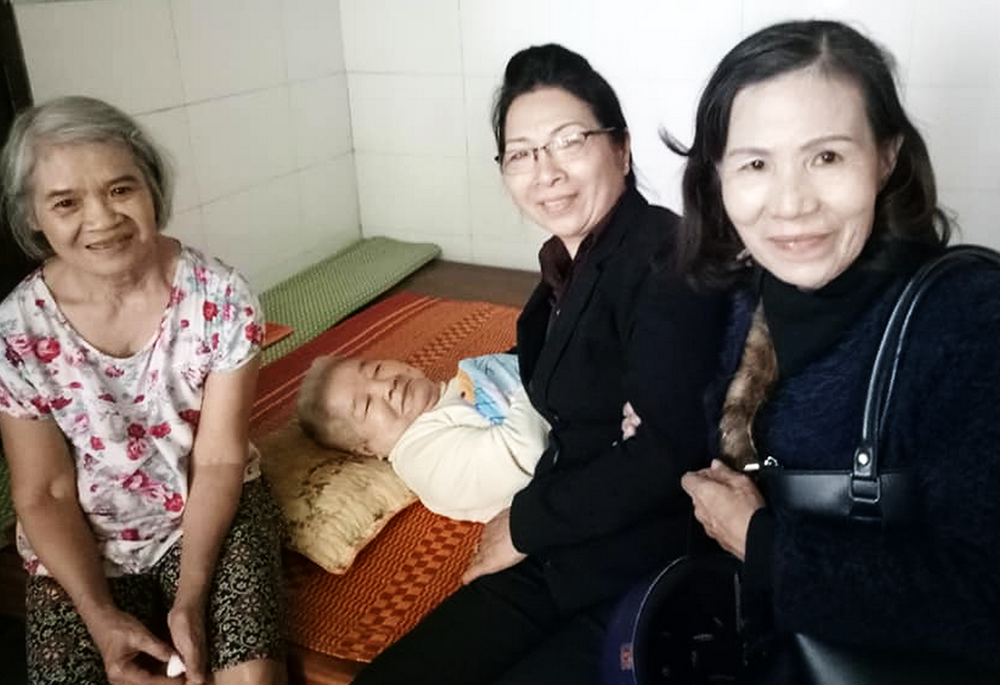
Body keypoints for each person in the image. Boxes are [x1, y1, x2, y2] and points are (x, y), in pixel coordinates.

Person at [352, 43, 729, 685]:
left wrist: (524, 525)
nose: (544, 172)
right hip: (568, 545)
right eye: (521, 154)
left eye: (567, 141)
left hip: (634, 561)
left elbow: (668, 453)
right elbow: (571, 377)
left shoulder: (662, 260)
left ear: (622, 148)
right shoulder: (567, 267)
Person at [672, 19, 1000, 680]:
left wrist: (765, 546)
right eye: (756, 163)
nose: (791, 203)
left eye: (827, 156)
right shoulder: (749, 294)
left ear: (886, 156)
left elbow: (984, 598)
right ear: (718, 176)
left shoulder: (968, 320)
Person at [0, 96, 287, 685]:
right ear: (32, 216)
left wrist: (191, 597)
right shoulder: (15, 330)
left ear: (152, 188)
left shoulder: (221, 298)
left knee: (248, 678)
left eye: (120, 189)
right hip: (80, 541)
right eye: (65, 202)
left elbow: (218, 457)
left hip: (207, 511)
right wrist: (101, 616)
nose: (102, 218)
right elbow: (45, 492)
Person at [296, 353, 550, 522]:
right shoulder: (420, 456)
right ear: (366, 449)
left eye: (377, 369)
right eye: (365, 406)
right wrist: (544, 370)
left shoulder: (456, 385)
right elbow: (526, 451)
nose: (387, 385)